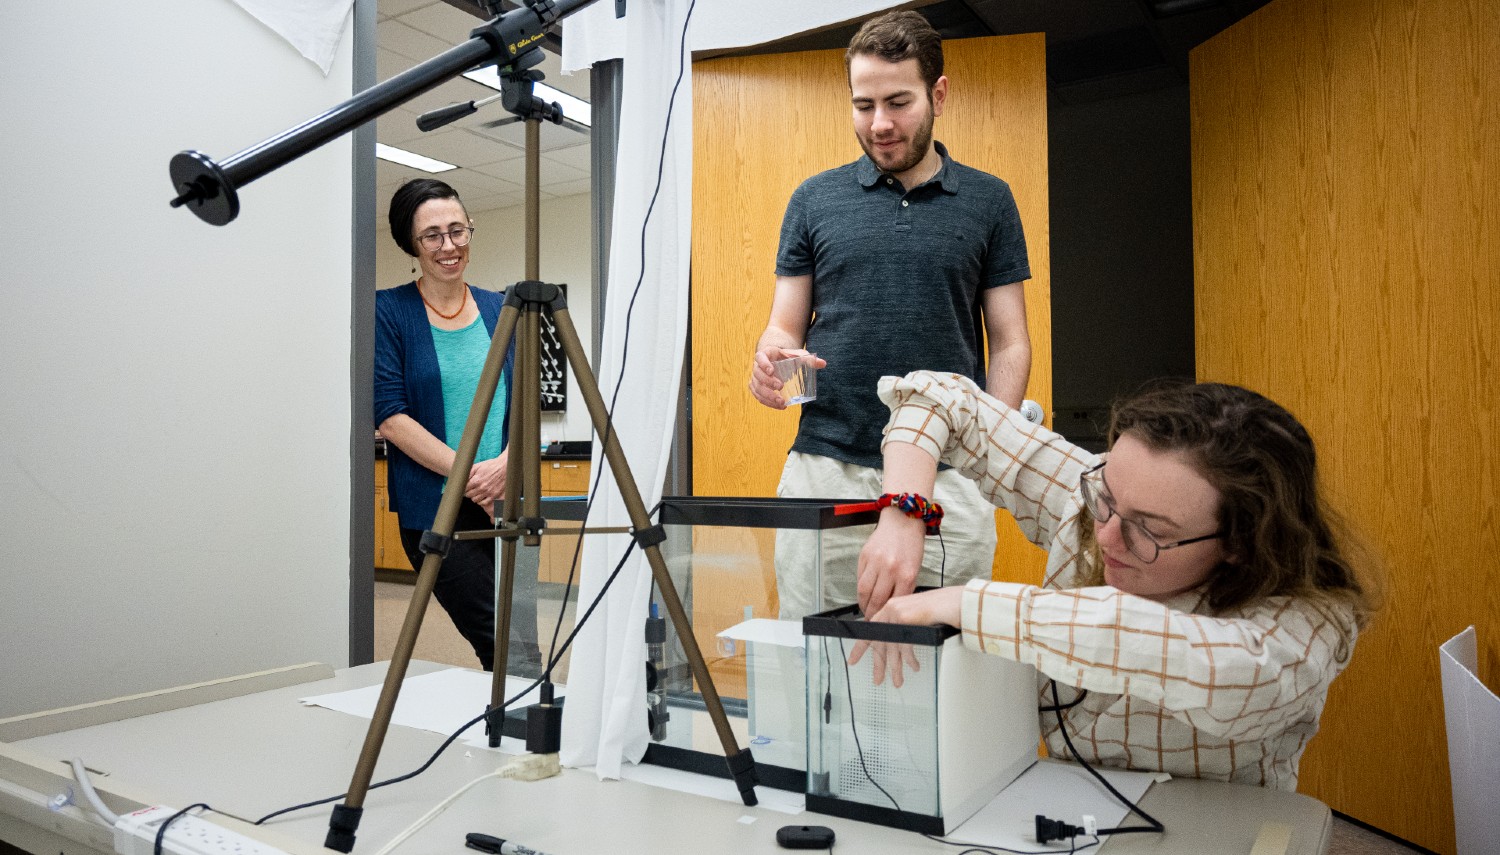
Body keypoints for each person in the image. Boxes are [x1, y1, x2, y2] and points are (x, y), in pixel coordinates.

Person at [851, 370, 1376, 790]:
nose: (1105, 537)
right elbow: (937, 395)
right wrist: (904, 510)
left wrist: (968, 603)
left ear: (1242, 541)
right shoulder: (1099, 498)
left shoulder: (1310, 620)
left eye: (1149, 529)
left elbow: (1194, 657)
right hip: (1074, 810)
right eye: (1105, 499)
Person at [747, 10, 1032, 619]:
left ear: (939, 94)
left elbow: (1009, 342)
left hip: (948, 478)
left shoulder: (990, 200)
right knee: (820, 668)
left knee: (935, 673)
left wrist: (991, 452)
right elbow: (785, 327)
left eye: (899, 102)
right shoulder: (813, 199)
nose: (879, 124)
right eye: (863, 105)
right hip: (825, 466)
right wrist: (772, 362)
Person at [374, 178, 540, 675]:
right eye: (433, 236)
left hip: (509, 498)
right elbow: (388, 415)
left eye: (458, 230)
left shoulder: (502, 308)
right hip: (438, 506)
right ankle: (518, 740)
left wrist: (506, 468)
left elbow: (530, 403)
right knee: (498, 639)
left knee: (524, 642)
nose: (450, 246)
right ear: (411, 243)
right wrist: (473, 478)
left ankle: (517, 739)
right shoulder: (388, 311)